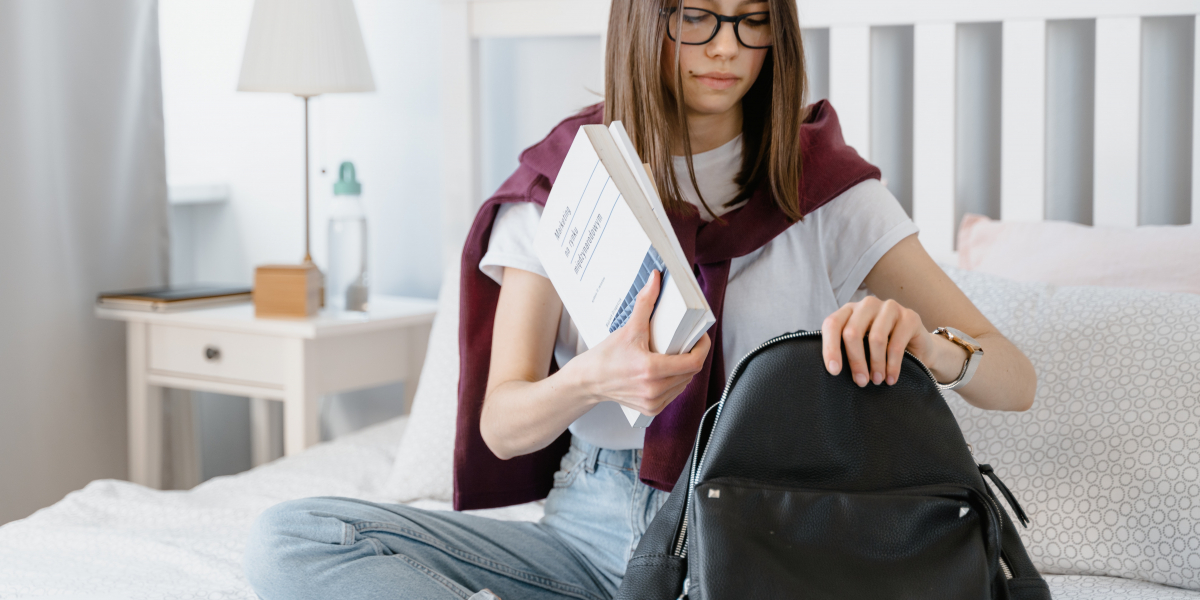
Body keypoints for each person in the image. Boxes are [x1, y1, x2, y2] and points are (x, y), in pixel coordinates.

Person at [242, 0, 1037, 598]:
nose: (728, 47)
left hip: (758, 534)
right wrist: (595, 378)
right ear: (645, 20)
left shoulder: (824, 188)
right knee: (295, 538)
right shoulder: (565, 183)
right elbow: (503, 421)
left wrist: (928, 347)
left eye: (751, 21)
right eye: (697, 17)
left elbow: (1015, 378)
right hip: (589, 535)